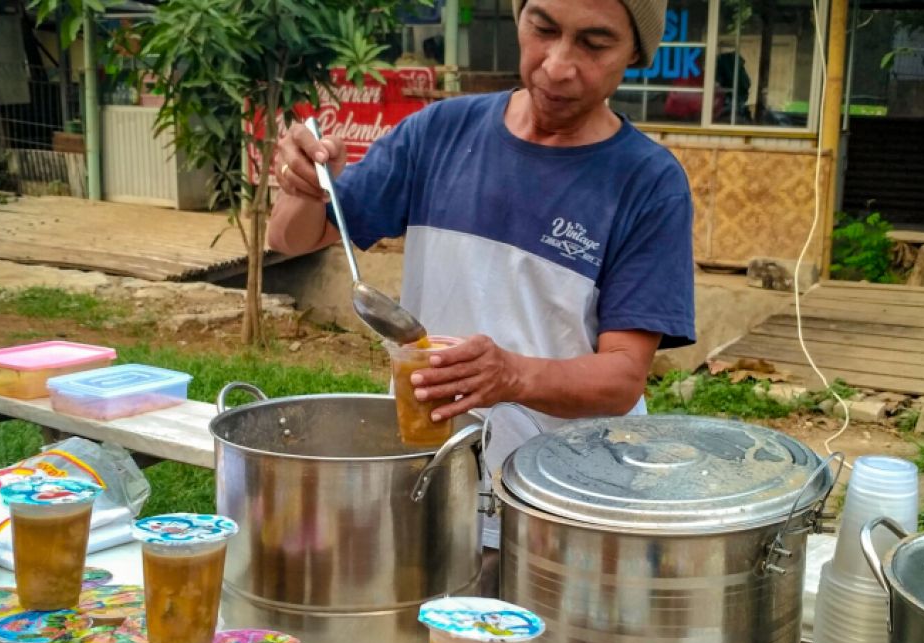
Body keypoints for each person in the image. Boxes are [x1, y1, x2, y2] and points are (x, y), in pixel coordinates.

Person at [267, 0, 696, 569]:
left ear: (636, 53)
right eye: (542, 29)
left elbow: (621, 377)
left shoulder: (647, 183)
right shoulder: (440, 134)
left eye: (594, 45)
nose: (557, 65)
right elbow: (293, 237)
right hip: (437, 482)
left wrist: (512, 375)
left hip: (566, 507)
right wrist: (305, 183)